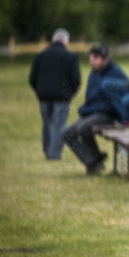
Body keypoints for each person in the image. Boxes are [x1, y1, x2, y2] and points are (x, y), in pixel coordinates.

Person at [61, 44, 127, 174]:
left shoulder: (116, 74)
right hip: (92, 113)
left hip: (108, 114)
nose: (92, 61)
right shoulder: (93, 74)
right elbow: (90, 98)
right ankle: (94, 161)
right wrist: (85, 110)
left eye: (96, 58)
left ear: (105, 59)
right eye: (91, 58)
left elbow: (116, 102)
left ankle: (94, 162)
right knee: (66, 134)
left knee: (83, 128)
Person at [29, 28, 81, 160]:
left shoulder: (40, 56)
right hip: (62, 98)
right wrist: (69, 93)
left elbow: (32, 78)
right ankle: (54, 154)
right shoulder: (70, 57)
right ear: (66, 41)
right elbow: (76, 80)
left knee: (47, 124)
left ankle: (48, 150)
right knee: (60, 125)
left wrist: (40, 91)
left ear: (53, 40)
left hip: (44, 96)